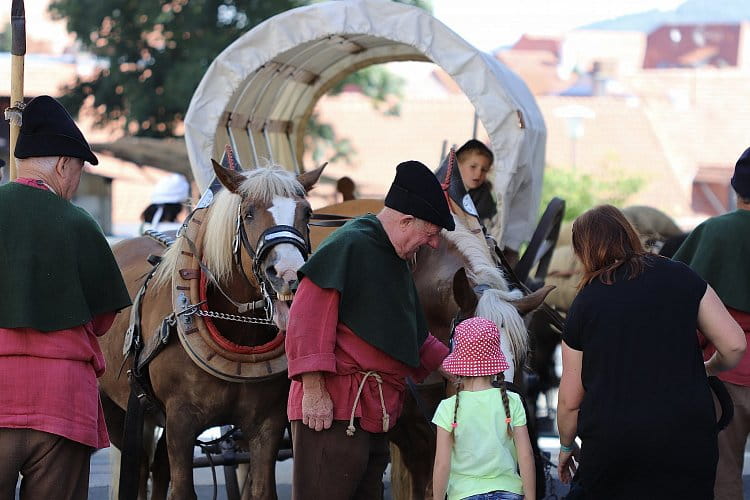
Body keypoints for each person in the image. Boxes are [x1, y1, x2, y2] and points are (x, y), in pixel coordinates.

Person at [285, 160, 454, 499]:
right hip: (334, 410)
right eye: (430, 234)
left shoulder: (394, 256)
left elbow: (411, 333)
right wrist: (315, 392)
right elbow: (306, 321)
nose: (433, 244)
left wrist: (462, 368)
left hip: (373, 411)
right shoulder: (349, 245)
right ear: (405, 220)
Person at [556, 205, 745, 500]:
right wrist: (708, 367)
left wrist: (566, 447)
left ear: (584, 250)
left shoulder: (585, 303)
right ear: (629, 235)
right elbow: (734, 344)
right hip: (687, 437)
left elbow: (570, 400)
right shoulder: (682, 276)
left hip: (614, 445)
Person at [0, 95, 132, 499]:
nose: (74, 184)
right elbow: (104, 319)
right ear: (62, 164)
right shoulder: (79, 223)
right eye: (77, 171)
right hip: (62, 401)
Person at [673, 147, 750, 500]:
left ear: (736, 189)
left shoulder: (713, 233)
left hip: (723, 376)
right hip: (725, 371)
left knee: (723, 477)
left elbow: (675, 308)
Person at [432, 317, 535, 500]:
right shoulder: (512, 401)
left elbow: (441, 464)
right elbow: (526, 455)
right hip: (509, 492)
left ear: (459, 365)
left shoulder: (447, 408)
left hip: (464, 494)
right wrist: (531, 497)